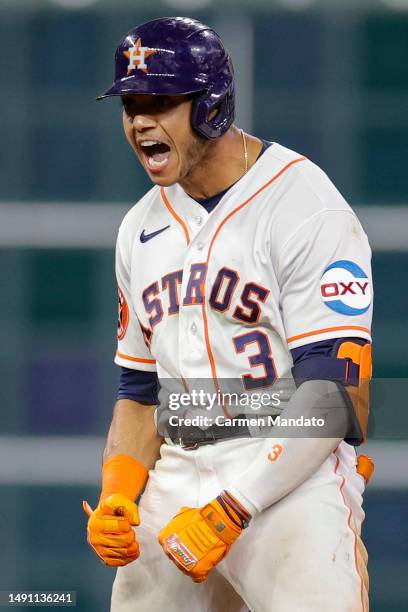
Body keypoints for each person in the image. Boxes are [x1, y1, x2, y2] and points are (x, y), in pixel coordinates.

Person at [83, 16, 374, 612]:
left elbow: (337, 392)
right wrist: (119, 492)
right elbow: (139, 391)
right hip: (180, 465)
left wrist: (234, 507)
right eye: (131, 103)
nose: (140, 120)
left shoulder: (303, 202)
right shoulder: (139, 226)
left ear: (212, 105)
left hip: (287, 478)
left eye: (161, 100)